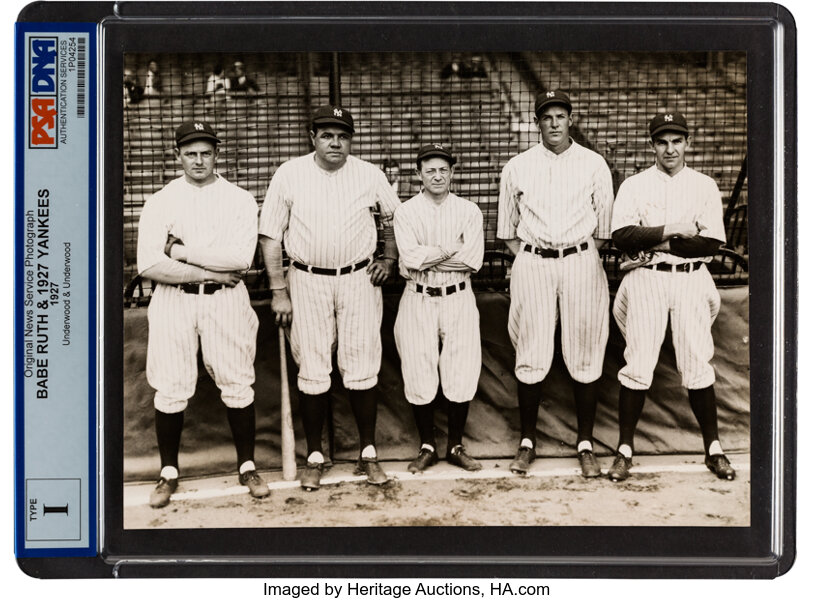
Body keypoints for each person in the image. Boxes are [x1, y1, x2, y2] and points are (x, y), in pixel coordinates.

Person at [259, 105, 400, 491]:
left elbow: (395, 219)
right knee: (314, 367)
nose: (335, 142)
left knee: (361, 365)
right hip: (306, 280)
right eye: (326, 134)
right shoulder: (289, 173)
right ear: (313, 137)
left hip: (358, 278)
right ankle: (315, 456)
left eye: (342, 135)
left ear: (351, 140)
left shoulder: (370, 174)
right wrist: (278, 291)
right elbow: (270, 236)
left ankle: (368, 453)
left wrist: (389, 258)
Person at [137, 120, 268, 508]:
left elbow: (240, 259)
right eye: (190, 153)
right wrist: (208, 271)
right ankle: (168, 472)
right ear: (177, 155)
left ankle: (247, 465)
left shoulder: (239, 198)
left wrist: (179, 251)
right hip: (174, 298)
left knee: (237, 380)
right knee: (172, 386)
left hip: (225, 300)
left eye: (206, 152)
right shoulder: (160, 199)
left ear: (216, 154)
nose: (198, 160)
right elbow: (148, 264)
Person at [608, 112, 735, 482]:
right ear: (652, 145)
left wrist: (659, 241)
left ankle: (714, 449)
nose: (670, 148)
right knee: (638, 364)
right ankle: (625, 450)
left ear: (687, 143)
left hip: (690, 280)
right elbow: (622, 236)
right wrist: (676, 230)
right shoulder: (634, 185)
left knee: (697, 362)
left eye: (676, 140)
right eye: (662, 141)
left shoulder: (704, 185)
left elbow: (710, 242)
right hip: (646, 279)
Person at [497, 90, 613, 478]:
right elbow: (507, 231)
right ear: (537, 122)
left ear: (570, 119)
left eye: (561, 115)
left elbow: (605, 230)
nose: (554, 123)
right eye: (547, 117)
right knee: (531, 351)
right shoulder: (517, 166)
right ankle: (527, 442)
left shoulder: (595, 164)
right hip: (534, 261)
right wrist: (534, 257)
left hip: (581, 259)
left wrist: (575, 252)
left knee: (584, 350)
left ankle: (584, 443)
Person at [393, 144, 484, 473]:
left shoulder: (469, 211)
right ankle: (428, 446)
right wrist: (449, 248)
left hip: (458, 296)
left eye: (443, 169)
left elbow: (472, 260)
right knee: (419, 370)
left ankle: (456, 446)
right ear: (419, 174)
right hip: (418, 296)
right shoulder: (405, 212)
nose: (437, 175)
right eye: (430, 169)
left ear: (452, 173)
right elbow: (410, 258)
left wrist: (428, 254)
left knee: (461, 369)